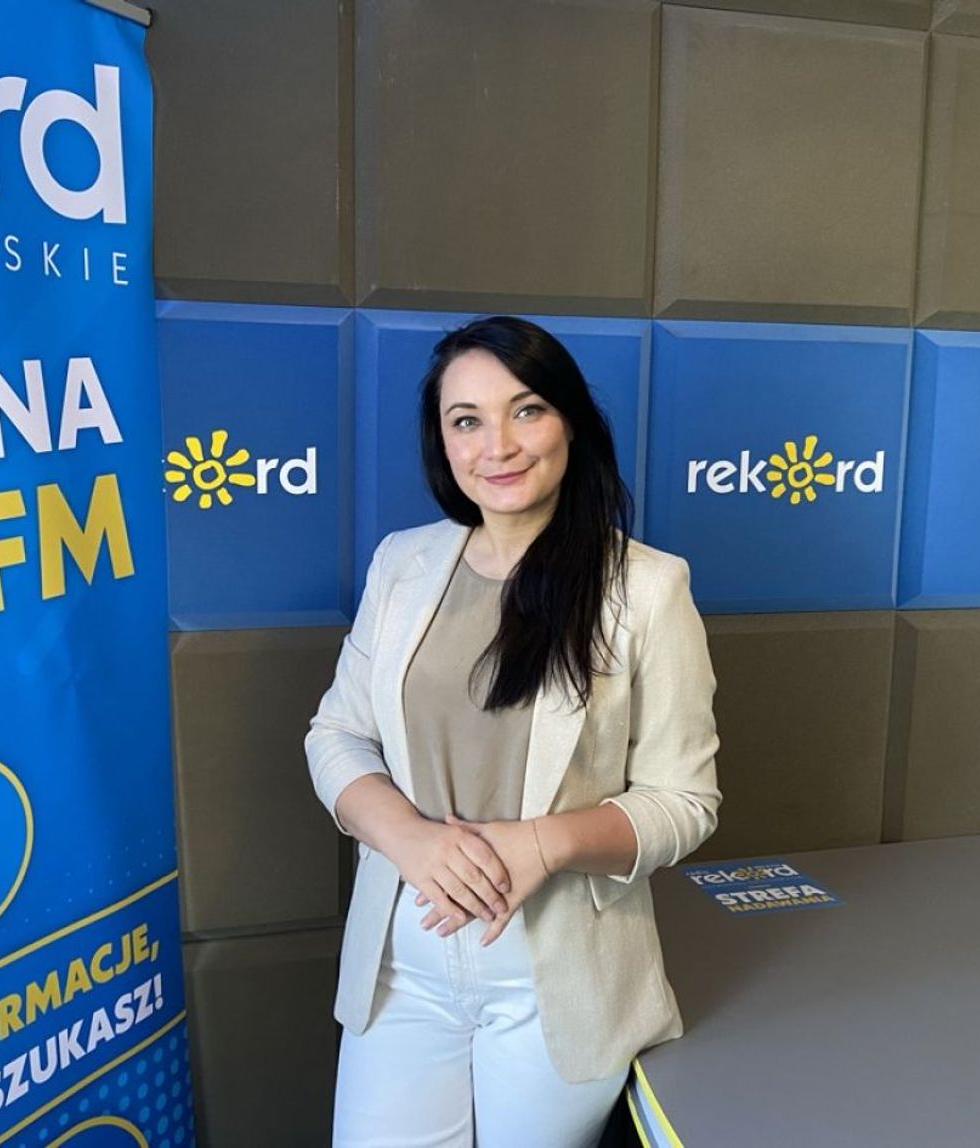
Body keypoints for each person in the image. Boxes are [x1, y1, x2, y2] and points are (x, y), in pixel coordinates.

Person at [305, 316, 721, 1147]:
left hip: (557, 981)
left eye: (526, 410)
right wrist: (409, 839)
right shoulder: (401, 564)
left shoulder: (647, 588)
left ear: (571, 421)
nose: (497, 445)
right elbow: (336, 734)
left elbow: (685, 802)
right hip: (402, 968)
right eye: (467, 420)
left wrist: (544, 844)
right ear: (442, 442)